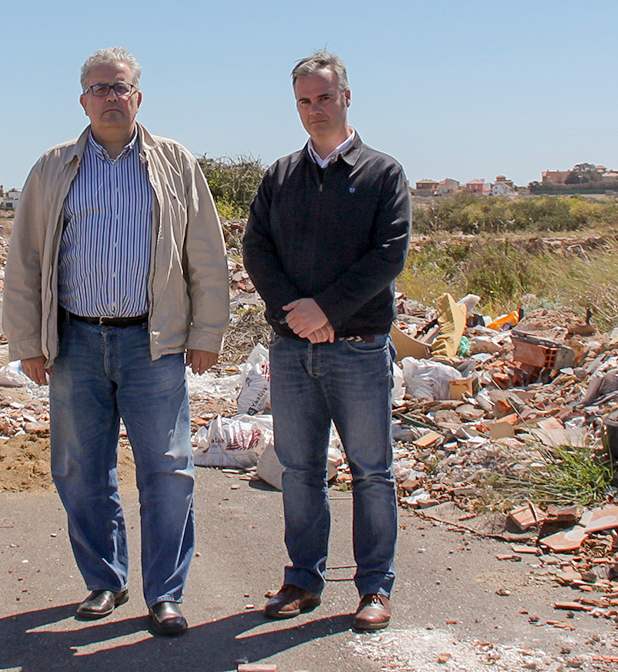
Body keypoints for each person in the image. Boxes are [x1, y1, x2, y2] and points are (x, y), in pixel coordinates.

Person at [3, 46, 229, 637]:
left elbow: (205, 253)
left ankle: (166, 594)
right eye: (99, 88)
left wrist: (207, 332)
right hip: (76, 342)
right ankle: (105, 580)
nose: (110, 96)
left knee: (170, 468)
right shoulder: (53, 167)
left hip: (151, 344)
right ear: (82, 100)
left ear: (138, 97)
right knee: (79, 468)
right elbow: (25, 260)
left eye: (120, 87)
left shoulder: (175, 163)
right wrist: (29, 340)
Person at [242, 49, 410, 631]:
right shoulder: (280, 175)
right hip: (291, 351)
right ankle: (303, 581)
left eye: (324, 97)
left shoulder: (382, 173)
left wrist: (328, 309)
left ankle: (374, 589)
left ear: (346, 97)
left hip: (358, 347)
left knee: (370, 470)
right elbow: (256, 250)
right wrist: (297, 316)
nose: (315, 109)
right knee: (300, 470)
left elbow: (388, 255)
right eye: (304, 101)